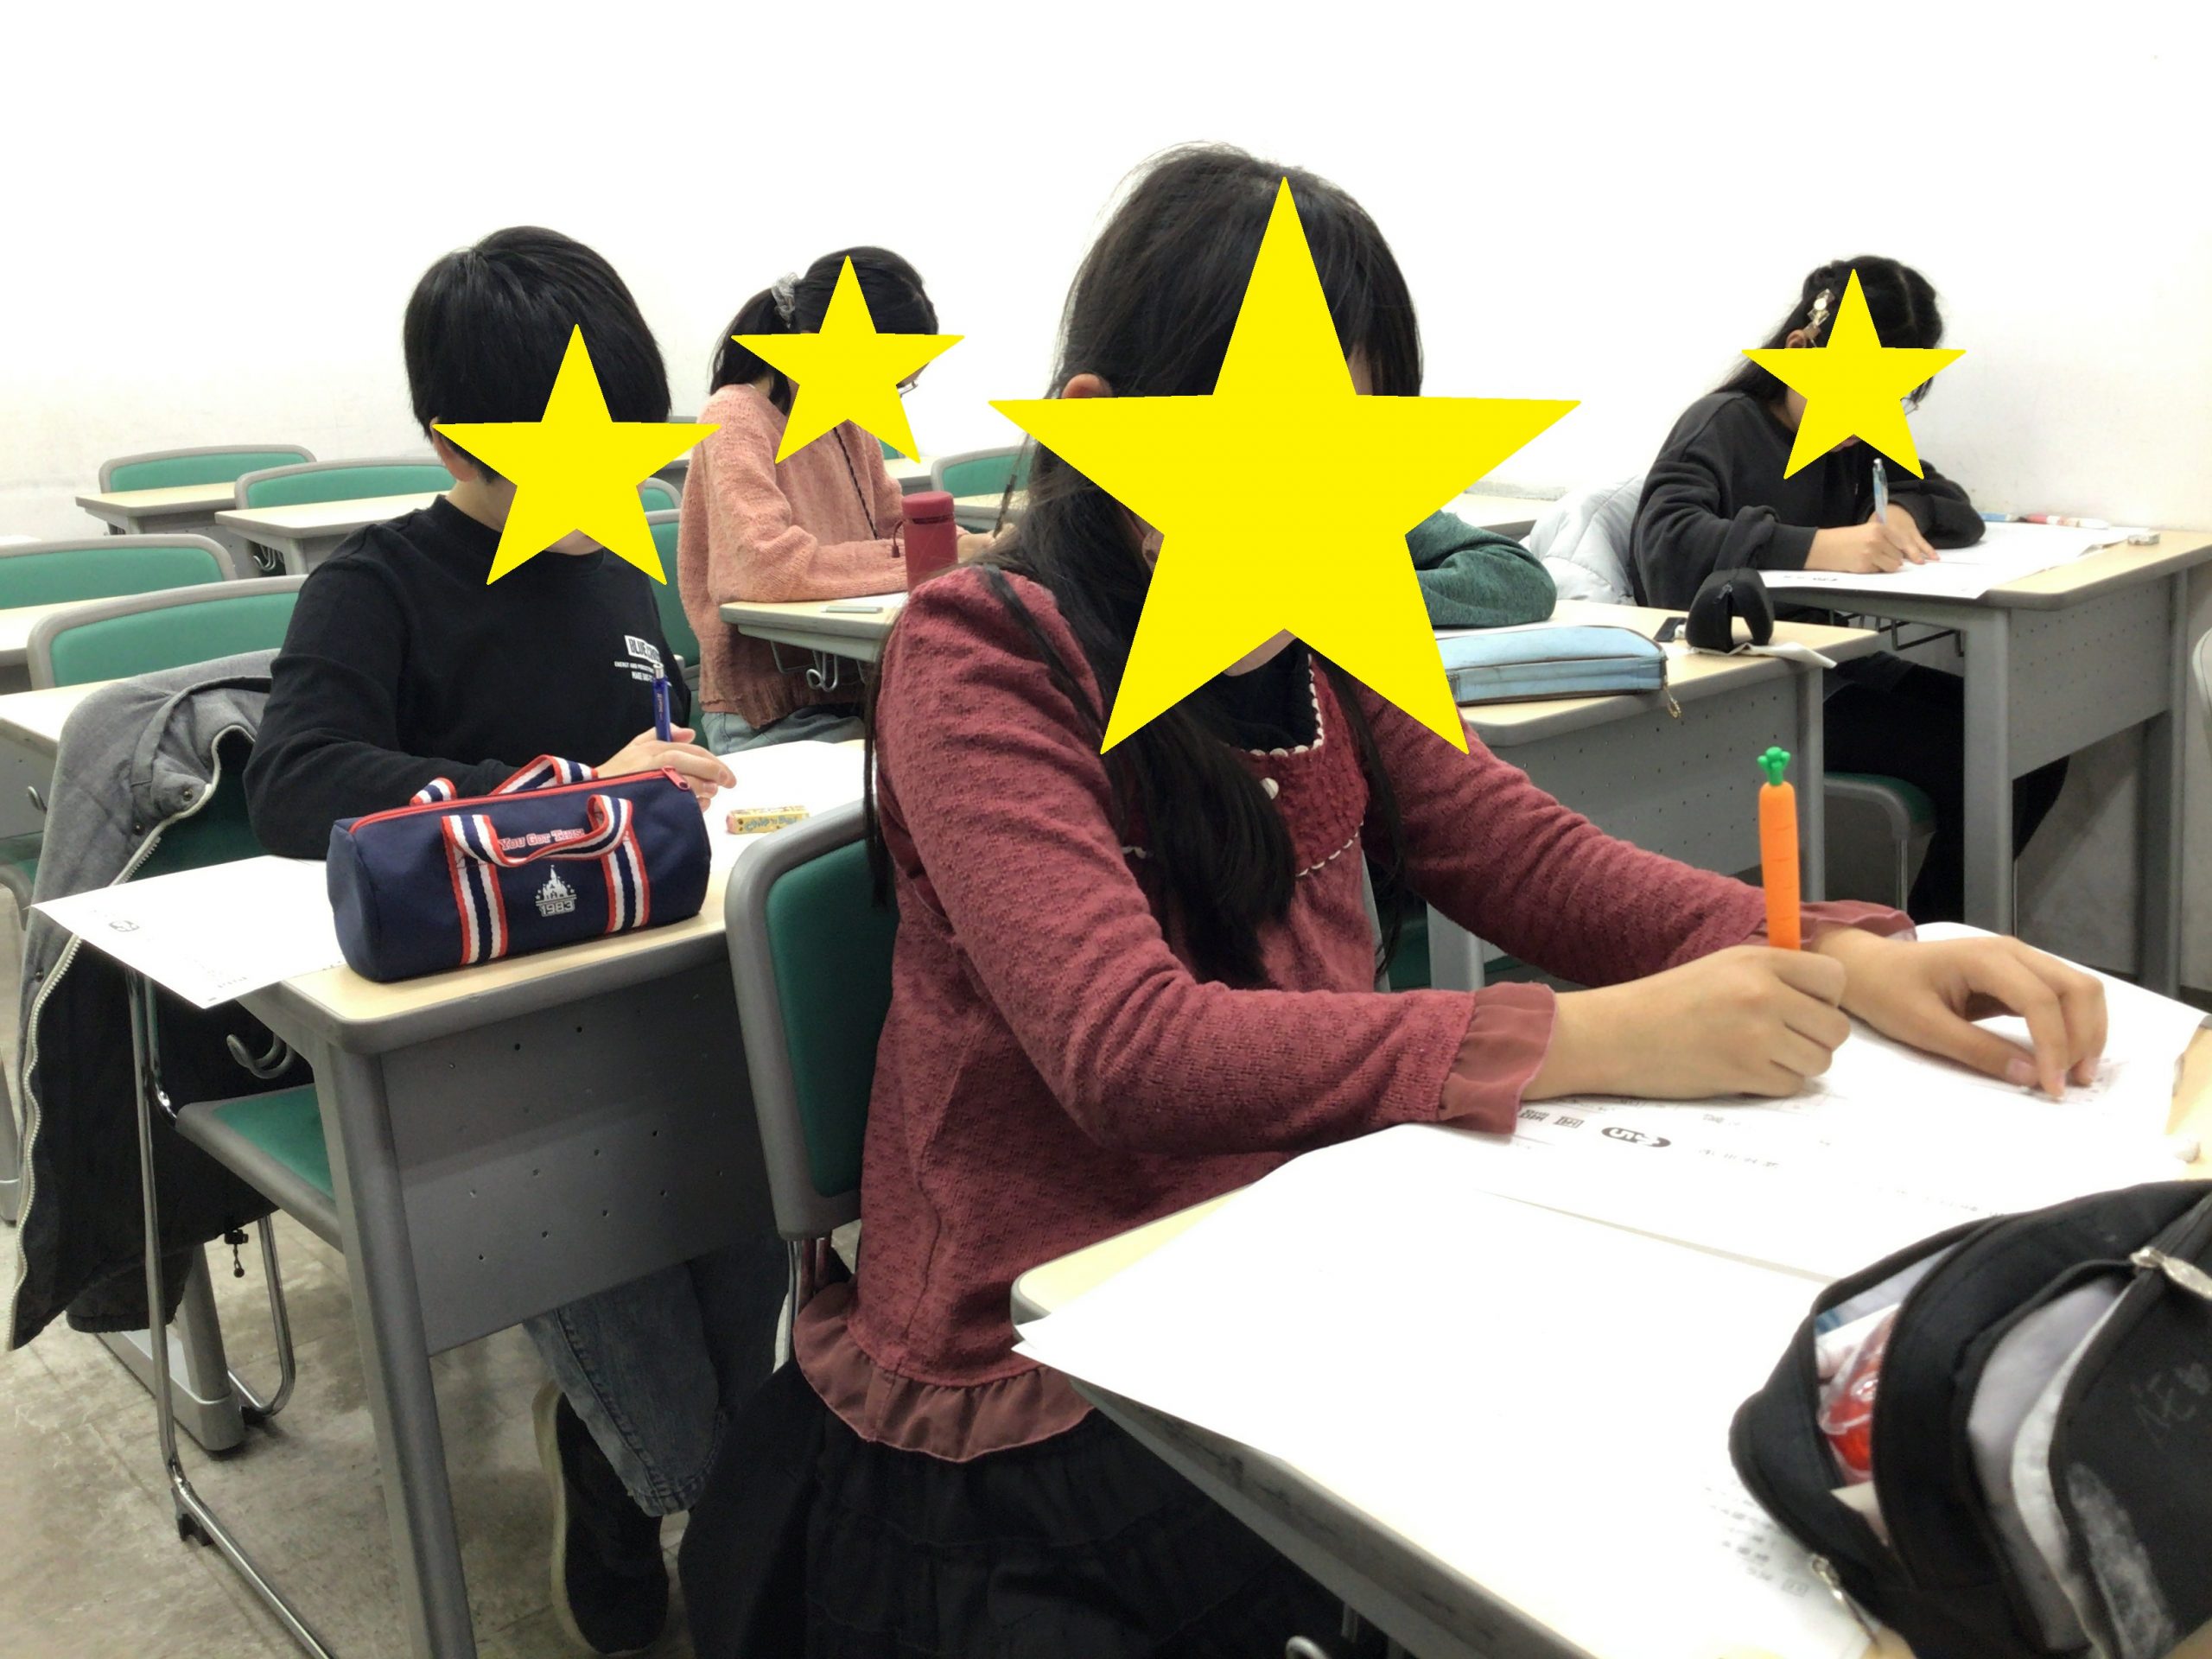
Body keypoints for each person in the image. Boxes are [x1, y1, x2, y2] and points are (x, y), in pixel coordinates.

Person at [677, 149, 2109, 1659]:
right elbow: (1127, 1050)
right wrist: (1582, 1039)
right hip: (1059, 1377)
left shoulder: (1312, 631)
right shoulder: (984, 652)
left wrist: (1831, 945)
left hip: (1296, 1262)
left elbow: (1528, 856)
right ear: (1107, 427)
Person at [245, 226, 775, 1657]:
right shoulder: (381, 584)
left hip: (666, 1002)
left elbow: (662, 748)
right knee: (675, 1407)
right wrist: (565, 795)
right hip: (491, 1053)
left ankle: (662, 1482)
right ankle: (628, 1499)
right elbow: (293, 780)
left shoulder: (615, 575)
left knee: (752, 1302)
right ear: (453, 440)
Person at [1630, 257, 2067, 919]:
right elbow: (1667, 546)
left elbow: (1954, 505)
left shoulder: (1859, 442)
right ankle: (1929, 953)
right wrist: (1817, 547)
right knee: (1975, 757)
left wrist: (1905, 511)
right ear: (1801, 349)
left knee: (2033, 742)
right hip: (1741, 684)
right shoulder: (1723, 423)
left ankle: (1939, 941)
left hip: (1828, 666)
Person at [679, 248, 994, 754]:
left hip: (857, 691)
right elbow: (767, 570)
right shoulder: (735, 418)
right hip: (774, 711)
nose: (892, 392)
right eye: (892, 379)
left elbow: (895, 528)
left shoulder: (848, 423)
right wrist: (938, 558)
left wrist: (978, 547)